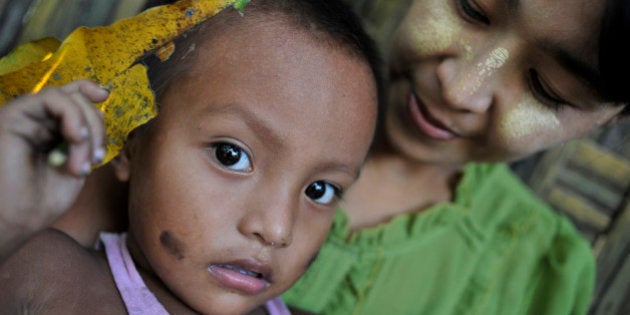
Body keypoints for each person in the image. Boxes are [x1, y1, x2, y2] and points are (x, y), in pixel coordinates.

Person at [0, 0, 381, 314]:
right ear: (131, 140)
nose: (277, 229)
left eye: (320, 190)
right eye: (231, 155)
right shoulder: (48, 279)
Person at [280, 0, 629, 314]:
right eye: (471, 10)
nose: (459, 89)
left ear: (613, 117)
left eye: (545, 88)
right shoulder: (256, 74)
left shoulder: (534, 281)